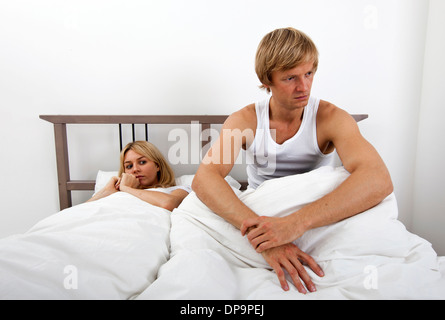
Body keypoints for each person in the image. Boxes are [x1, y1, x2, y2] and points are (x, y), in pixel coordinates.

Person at [192, 27, 393, 294]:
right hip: (263, 213)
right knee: (191, 213)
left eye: (309, 74)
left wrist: (295, 224)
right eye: (290, 78)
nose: (304, 86)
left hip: (313, 213)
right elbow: (205, 179)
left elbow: (378, 179)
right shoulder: (246, 120)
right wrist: (267, 238)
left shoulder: (331, 117)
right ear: (267, 81)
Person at [88, 141, 190, 211]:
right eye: (129, 166)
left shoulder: (177, 190)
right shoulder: (115, 192)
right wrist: (107, 190)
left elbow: (168, 204)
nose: (135, 169)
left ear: (157, 165)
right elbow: (81, 211)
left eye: (142, 162)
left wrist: (126, 188)